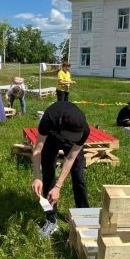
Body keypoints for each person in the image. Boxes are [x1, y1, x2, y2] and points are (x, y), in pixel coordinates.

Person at [31, 101, 90, 238]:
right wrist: (37, 177)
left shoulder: (83, 131)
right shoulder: (48, 119)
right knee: (48, 175)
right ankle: (50, 219)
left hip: (70, 139)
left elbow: (70, 158)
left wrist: (58, 186)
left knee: (78, 176)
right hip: (52, 136)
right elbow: (37, 149)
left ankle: (84, 215)